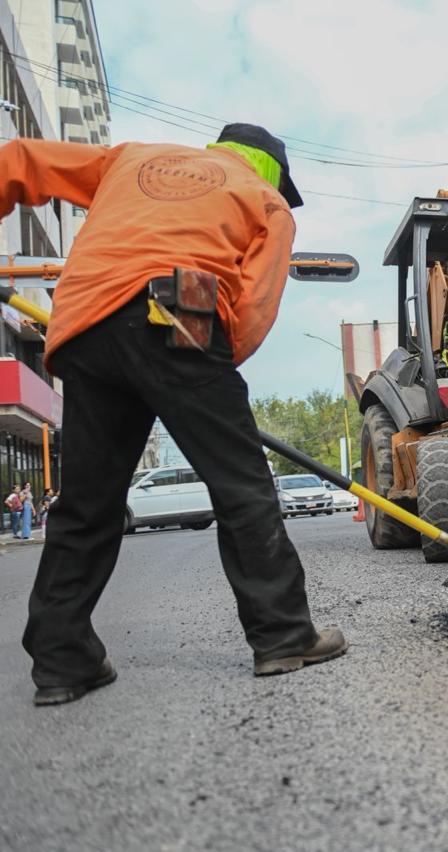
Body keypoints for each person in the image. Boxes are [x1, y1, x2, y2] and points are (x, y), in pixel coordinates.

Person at [0, 123, 346, 707]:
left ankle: (62, 661)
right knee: (242, 486)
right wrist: (202, 381)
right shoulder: (269, 203)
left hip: (83, 319)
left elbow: (22, 159)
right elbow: (255, 305)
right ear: (274, 173)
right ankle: (284, 636)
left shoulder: (131, 158)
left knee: (87, 503)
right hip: (178, 310)